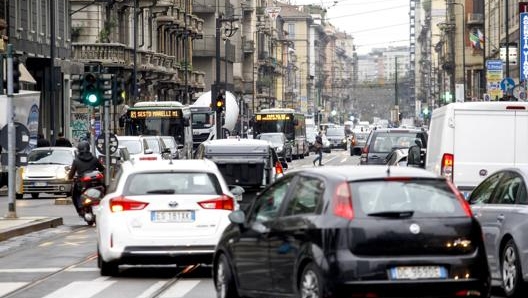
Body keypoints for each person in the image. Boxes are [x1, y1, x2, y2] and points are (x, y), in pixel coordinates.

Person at [68, 141, 105, 216]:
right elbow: (102, 169)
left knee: (75, 194)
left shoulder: (76, 161)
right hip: (96, 183)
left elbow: (71, 175)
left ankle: (80, 209)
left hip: (82, 184)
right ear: (88, 148)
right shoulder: (94, 159)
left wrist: (70, 177)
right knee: (104, 188)